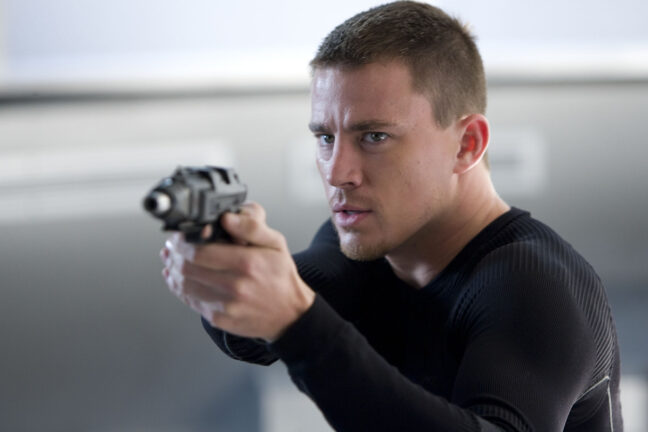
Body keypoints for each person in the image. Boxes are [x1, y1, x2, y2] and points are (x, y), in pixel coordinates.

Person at [160, 1, 623, 430]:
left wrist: (295, 320)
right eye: (325, 138)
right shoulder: (369, 245)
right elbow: (251, 334)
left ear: (467, 145)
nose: (338, 173)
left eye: (374, 137)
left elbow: (297, 317)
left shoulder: (534, 284)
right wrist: (228, 266)